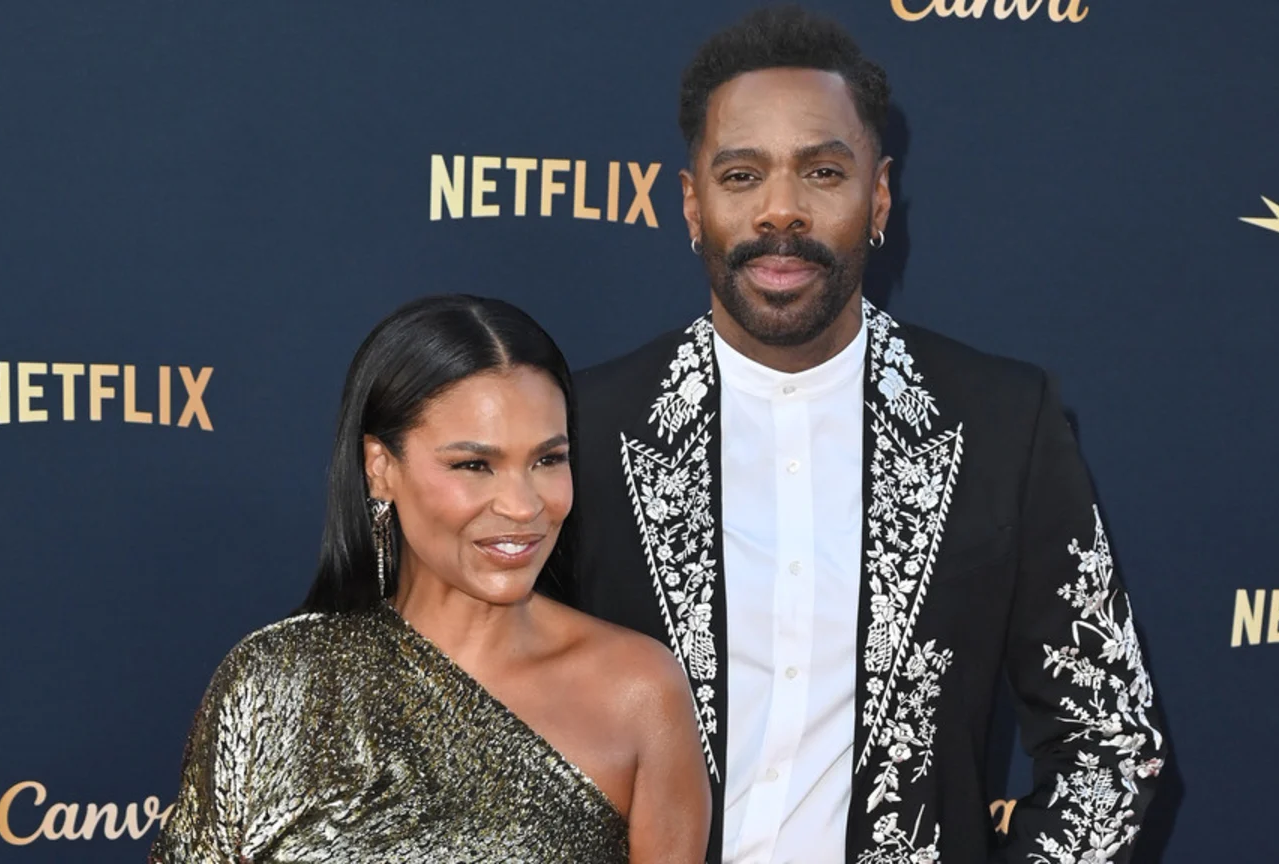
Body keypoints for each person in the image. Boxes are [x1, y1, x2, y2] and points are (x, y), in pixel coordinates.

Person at [570, 6, 1166, 864]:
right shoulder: (585, 430)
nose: (782, 212)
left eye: (822, 172)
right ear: (692, 205)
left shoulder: (1001, 423)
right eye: (742, 177)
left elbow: (1110, 741)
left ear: (878, 196)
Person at [149, 294, 711, 863]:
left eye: (547, 460)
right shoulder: (276, 681)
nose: (523, 505)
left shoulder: (639, 693)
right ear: (380, 469)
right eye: (473, 465)